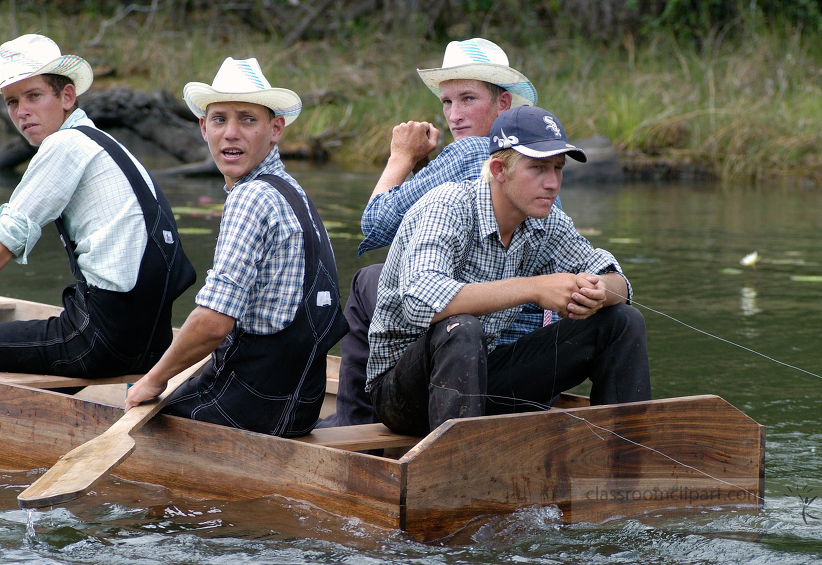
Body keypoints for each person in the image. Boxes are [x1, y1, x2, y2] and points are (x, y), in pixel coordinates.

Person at [366, 105, 651, 436]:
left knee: (622, 321)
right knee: (462, 329)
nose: (552, 183)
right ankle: (456, 476)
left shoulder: (546, 221)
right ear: (499, 170)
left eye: (558, 168)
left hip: (483, 378)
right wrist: (535, 288)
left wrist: (598, 291)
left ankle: (625, 465)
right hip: (403, 395)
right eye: (539, 168)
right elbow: (423, 302)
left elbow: (621, 283)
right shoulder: (448, 207)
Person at [322, 38, 560, 428]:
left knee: (369, 279)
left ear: (503, 105)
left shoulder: (469, 153)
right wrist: (425, 170)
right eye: (447, 102)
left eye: (468, 99)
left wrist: (401, 156)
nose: (455, 115)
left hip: (478, 348)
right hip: (528, 361)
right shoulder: (538, 161)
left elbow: (376, 223)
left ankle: (354, 421)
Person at [125, 57, 348, 438]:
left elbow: (213, 324)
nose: (231, 133)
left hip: (251, 404)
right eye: (219, 119)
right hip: (302, 406)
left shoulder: (251, 198)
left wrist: (153, 381)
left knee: (133, 409)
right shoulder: (293, 189)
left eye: (247, 120)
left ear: (275, 128)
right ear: (202, 127)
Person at [0, 33, 195, 376]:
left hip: (99, 343)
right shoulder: (102, 143)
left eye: (34, 96)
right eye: (11, 102)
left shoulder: (64, 145)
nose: (22, 112)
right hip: (152, 345)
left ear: (67, 96)